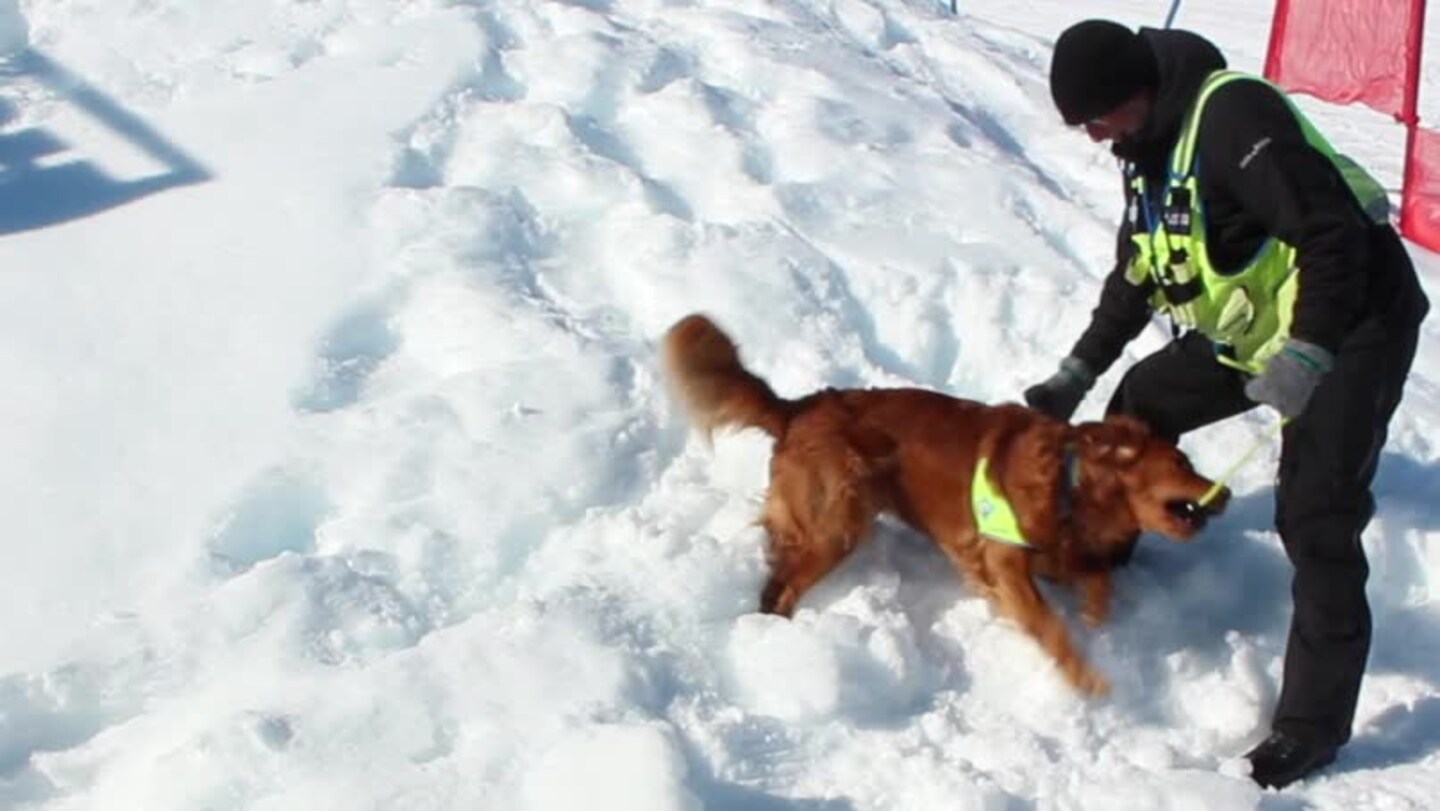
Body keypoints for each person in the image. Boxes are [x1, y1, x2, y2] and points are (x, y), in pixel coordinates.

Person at [1027, 19, 1430, 790]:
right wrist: (1076, 371)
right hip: (1257, 328)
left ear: (1132, 92)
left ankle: (1311, 726)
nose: (1090, 136)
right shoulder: (1143, 150)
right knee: (1140, 403)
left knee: (1317, 511)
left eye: (1093, 118)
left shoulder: (1234, 119)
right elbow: (1138, 274)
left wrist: (1308, 352)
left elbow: (1333, 237)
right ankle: (1100, 553)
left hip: (1353, 322)